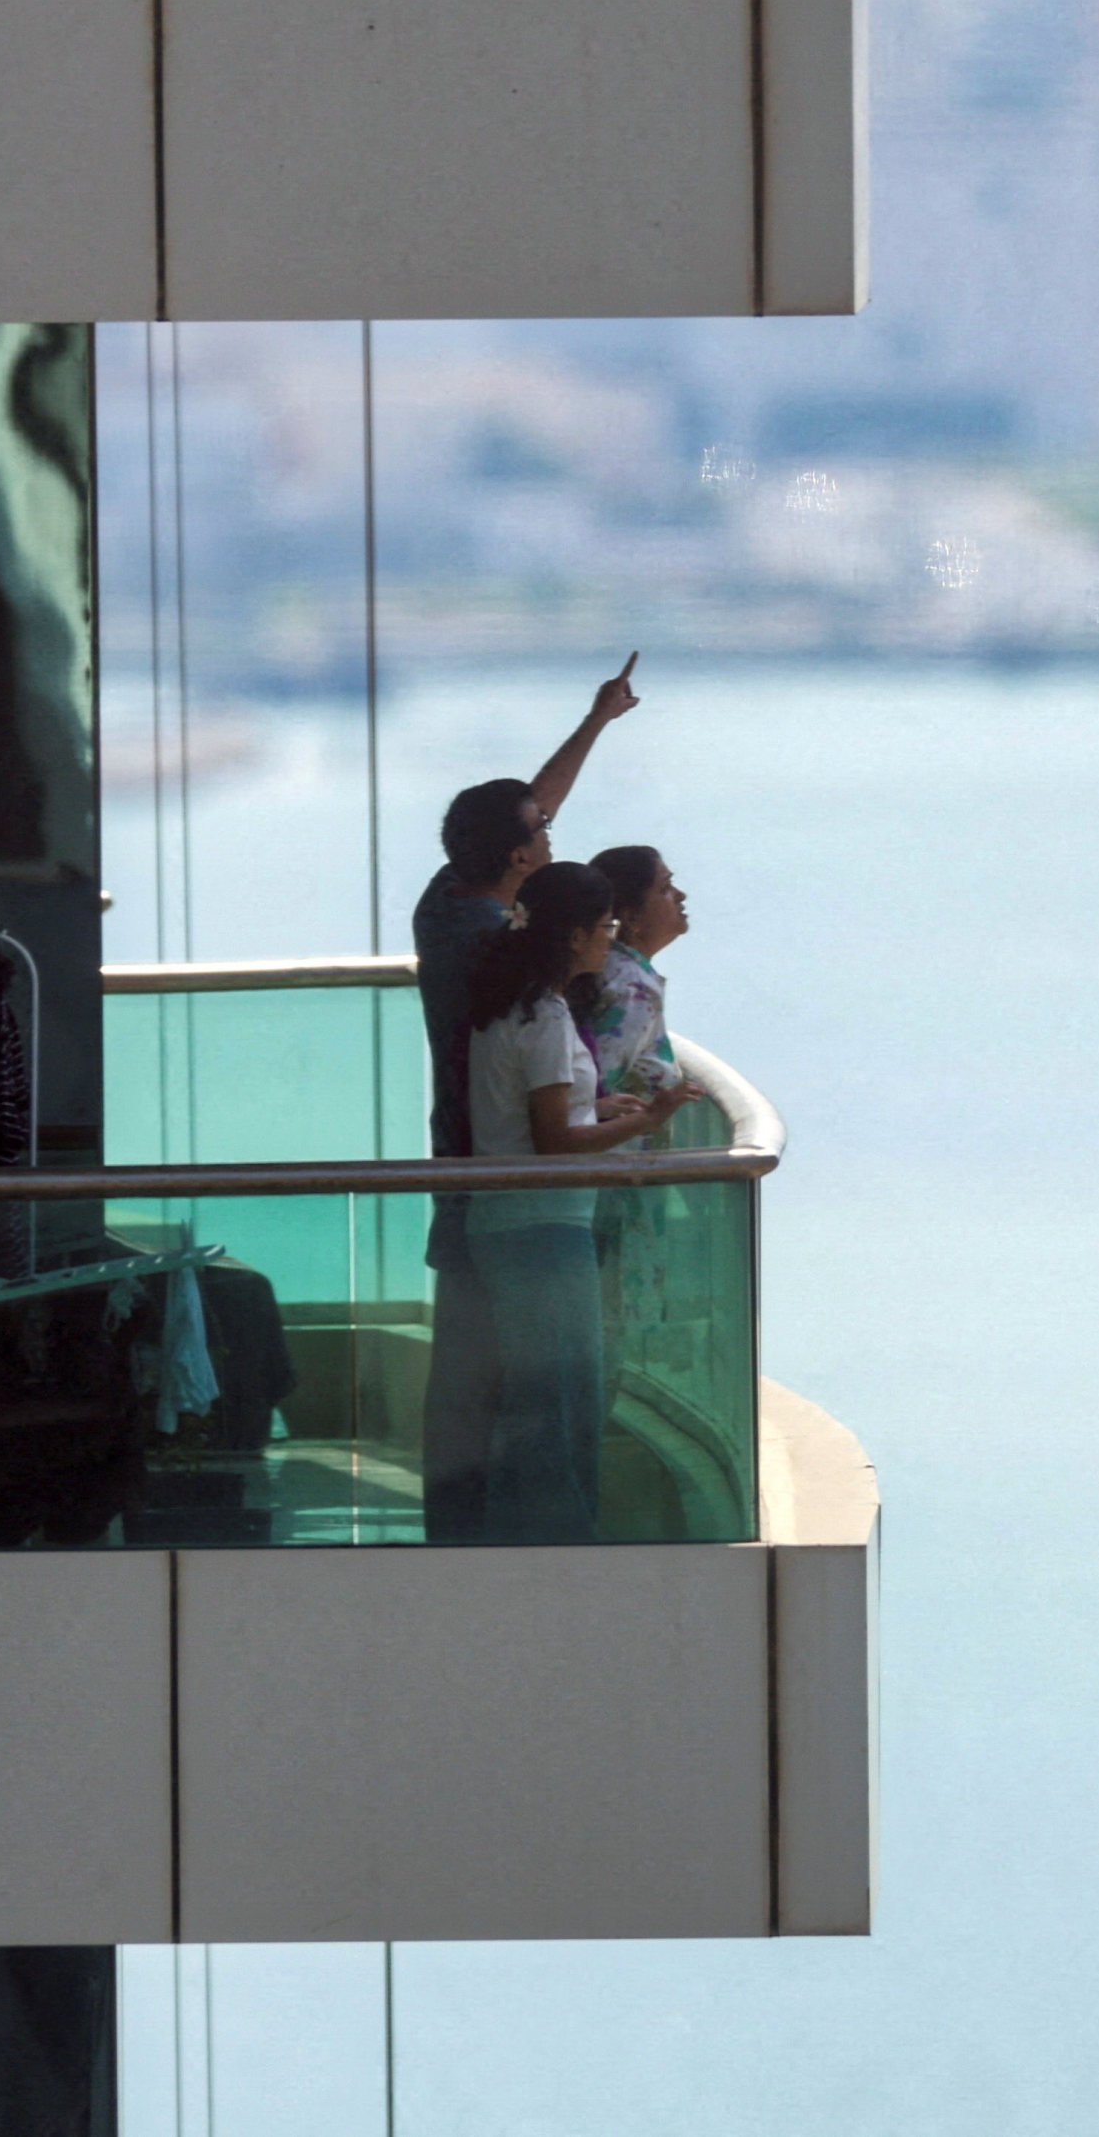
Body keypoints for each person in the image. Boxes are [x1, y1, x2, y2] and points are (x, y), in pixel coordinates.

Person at [413, 657, 642, 1538]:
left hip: (461, 1169)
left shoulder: (444, 909)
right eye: (539, 836)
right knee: (522, 1381)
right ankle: (516, 1540)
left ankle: (458, 1532)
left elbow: (529, 811)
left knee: (466, 1374)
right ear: (517, 860)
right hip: (502, 1175)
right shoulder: (506, 958)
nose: (548, 837)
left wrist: (594, 724)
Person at [454, 863, 701, 1539]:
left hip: (520, 1223)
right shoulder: (543, 1015)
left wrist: (598, 1105)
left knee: (547, 1394)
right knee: (560, 1398)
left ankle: (533, 1533)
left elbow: (539, 1112)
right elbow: (554, 1139)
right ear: (574, 936)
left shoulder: (517, 1005)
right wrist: (648, 1120)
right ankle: (553, 1539)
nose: (608, 941)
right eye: (603, 928)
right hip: (540, 1226)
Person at [573, 845, 687, 1105]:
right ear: (631, 918)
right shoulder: (634, 988)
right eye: (665, 888)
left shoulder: (606, 969)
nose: (680, 895)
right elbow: (590, 1095)